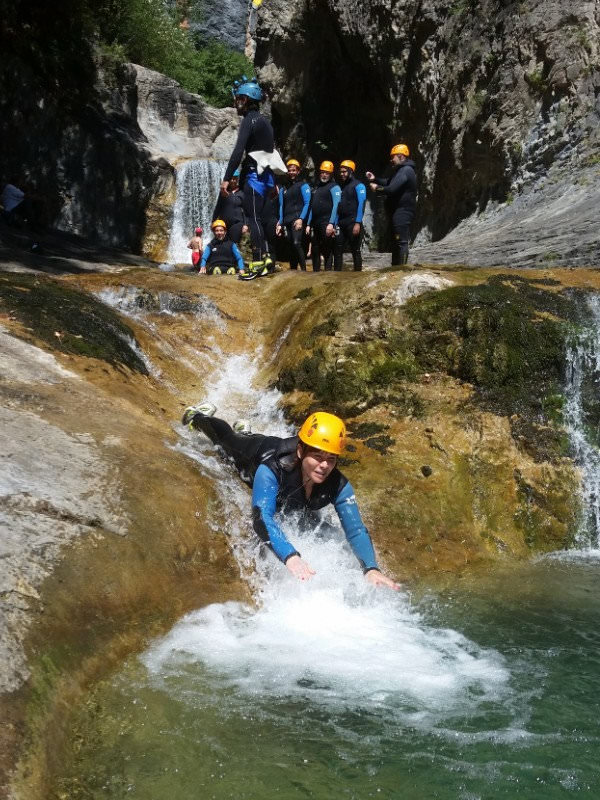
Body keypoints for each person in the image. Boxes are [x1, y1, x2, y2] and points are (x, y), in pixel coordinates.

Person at [182, 404, 401, 590]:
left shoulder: (338, 484)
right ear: (300, 451)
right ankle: (201, 417)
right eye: (317, 456)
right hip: (256, 454)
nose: (324, 465)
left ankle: (246, 432)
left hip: (283, 470)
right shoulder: (272, 469)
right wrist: (291, 556)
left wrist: (371, 568)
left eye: (331, 459)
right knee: (226, 442)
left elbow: (355, 529)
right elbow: (262, 517)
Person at [221, 76, 281, 269]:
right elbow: (270, 152)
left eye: (238, 98)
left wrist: (226, 178)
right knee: (260, 219)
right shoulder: (265, 122)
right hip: (266, 176)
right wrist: (273, 181)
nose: (236, 102)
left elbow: (238, 151)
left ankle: (257, 262)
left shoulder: (249, 120)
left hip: (254, 176)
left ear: (245, 99)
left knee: (253, 218)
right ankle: (268, 258)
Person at [367, 144, 417, 266]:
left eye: (393, 157)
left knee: (401, 242)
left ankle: (402, 270)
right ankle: (395, 268)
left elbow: (391, 189)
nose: (391, 160)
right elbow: (389, 182)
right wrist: (375, 179)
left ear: (401, 156)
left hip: (403, 211)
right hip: (397, 211)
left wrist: (377, 188)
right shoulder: (401, 170)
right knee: (395, 242)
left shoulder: (406, 170)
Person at [277, 159, 312, 271]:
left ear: (298, 171)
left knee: (297, 243)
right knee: (291, 246)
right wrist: (280, 222)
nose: (291, 172)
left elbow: (307, 203)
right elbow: (282, 206)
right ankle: (293, 270)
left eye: (294, 170)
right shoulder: (283, 188)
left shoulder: (303, 185)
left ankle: (303, 270)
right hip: (287, 220)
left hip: (297, 220)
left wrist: (301, 219)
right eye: (289, 170)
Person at [334, 160, 367, 272]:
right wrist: (335, 223)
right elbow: (339, 207)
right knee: (337, 250)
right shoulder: (342, 187)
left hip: (353, 222)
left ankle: (357, 275)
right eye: (341, 172)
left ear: (351, 171)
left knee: (355, 250)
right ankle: (336, 274)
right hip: (341, 222)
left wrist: (357, 223)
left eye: (344, 172)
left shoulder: (359, 185)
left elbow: (361, 204)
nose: (342, 174)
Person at [310, 161, 341, 272]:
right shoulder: (317, 187)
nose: (324, 175)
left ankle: (328, 273)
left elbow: (336, 205)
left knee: (327, 249)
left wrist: (331, 223)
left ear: (331, 174)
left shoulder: (334, 187)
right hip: (316, 222)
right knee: (315, 249)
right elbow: (311, 206)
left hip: (326, 222)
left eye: (327, 173)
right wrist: (309, 224)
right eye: (322, 172)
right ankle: (316, 272)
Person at [212, 168, 247, 245]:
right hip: (223, 224)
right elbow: (218, 207)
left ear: (237, 179)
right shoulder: (224, 192)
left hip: (236, 223)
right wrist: (213, 221)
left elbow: (245, 210)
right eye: (231, 179)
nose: (233, 181)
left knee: (232, 243)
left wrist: (245, 224)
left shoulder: (241, 192)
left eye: (235, 179)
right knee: (222, 244)